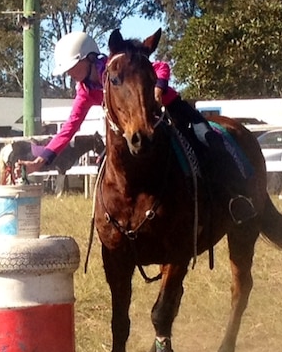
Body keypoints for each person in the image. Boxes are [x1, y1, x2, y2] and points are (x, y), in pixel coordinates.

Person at [16, 30, 255, 223]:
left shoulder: (120, 63)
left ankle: (236, 195)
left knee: (208, 139)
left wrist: (159, 87)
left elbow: (161, 66)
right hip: (133, 126)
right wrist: (42, 160)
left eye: (71, 67)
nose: (69, 74)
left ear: (89, 59)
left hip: (171, 108)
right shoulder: (85, 91)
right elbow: (69, 127)